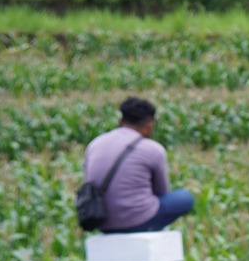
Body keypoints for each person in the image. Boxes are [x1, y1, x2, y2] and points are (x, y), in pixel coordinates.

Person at [82, 96, 193, 233]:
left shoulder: (95, 144)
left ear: (120, 121)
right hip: (138, 222)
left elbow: (89, 182)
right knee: (185, 197)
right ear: (149, 126)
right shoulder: (153, 149)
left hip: (100, 221)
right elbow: (161, 191)